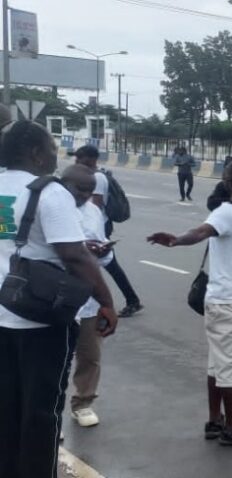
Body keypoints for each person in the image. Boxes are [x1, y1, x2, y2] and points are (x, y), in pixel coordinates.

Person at [0, 122, 118, 477]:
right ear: (36, 152)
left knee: (7, 406)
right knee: (41, 411)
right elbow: (75, 256)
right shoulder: (49, 192)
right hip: (38, 318)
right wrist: (107, 302)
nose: (56, 154)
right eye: (52, 147)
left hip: (2, 311)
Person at [147, 161, 232, 446]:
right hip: (230, 304)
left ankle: (215, 421)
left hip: (226, 301)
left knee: (218, 367)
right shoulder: (226, 212)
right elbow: (202, 231)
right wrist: (177, 240)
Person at [62, 165, 118, 429]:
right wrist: (83, 249)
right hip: (56, 296)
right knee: (53, 357)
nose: (85, 194)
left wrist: (102, 250)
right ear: (64, 185)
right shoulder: (51, 208)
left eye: (89, 189)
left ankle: (83, 403)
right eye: (79, 188)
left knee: (90, 355)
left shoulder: (94, 212)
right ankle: (49, 414)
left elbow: (104, 256)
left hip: (89, 298)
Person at [72, 145, 145, 318]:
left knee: (100, 266)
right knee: (109, 266)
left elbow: (94, 206)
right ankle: (131, 299)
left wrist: (89, 232)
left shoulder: (97, 178)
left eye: (79, 159)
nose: (76, 162)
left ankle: (126, 301)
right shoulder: (90, 176)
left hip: (98, 228)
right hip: (95, 228)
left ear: (90, 159)